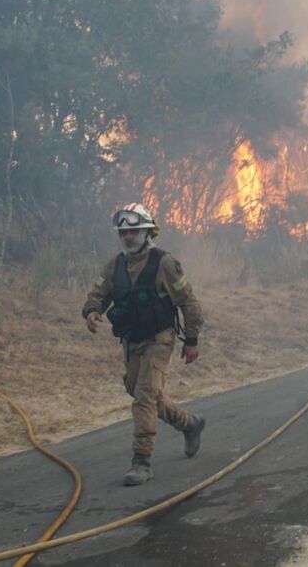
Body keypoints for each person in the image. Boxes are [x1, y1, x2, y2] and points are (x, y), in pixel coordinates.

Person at [82, 203, 206, 486]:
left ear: (148, 231)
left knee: (145, 397)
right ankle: (190, 423)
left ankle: (141, 461)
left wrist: (192, 339)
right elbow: (98, 293)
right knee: (140, 391)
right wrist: (92, 310)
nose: (128, 236)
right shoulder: (116, 265)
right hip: (131, 341)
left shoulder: (164, 263)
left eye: (135, 230)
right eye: (124, 232)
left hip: (160, 339)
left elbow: (188, 302)